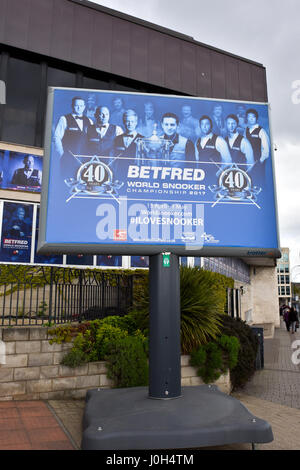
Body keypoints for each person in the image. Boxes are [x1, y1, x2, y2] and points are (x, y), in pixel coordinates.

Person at [53, 96, 93, 176]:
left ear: (84, 107)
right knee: (66, 181)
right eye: (76, 105)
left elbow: (91, 140)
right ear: (72, 106)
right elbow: (57, 137)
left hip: (84, 160)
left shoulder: (89, 121)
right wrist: (62, 154)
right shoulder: (64, 119)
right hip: (68, 158)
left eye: (81, 106)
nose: (79, 108)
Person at [112, 109, 144, 174]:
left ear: (136, 122)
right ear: (124, 122)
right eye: (127, 121)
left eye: (132, 121)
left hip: (136, 173)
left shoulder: (143, 139)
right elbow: (113, 158)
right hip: (120, 173)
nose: (130, 124)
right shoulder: (117, 139)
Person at [245, 108, 270, 187]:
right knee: (249, 181)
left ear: (256, 118)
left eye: (253, 117)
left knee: (259, 181)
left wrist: (260, 161)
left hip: (258, 161)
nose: (251, 119)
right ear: (247, 118)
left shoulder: (261, 131)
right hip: (248, 161)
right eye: (249, 117)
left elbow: (266, 149)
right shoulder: (246, 130)